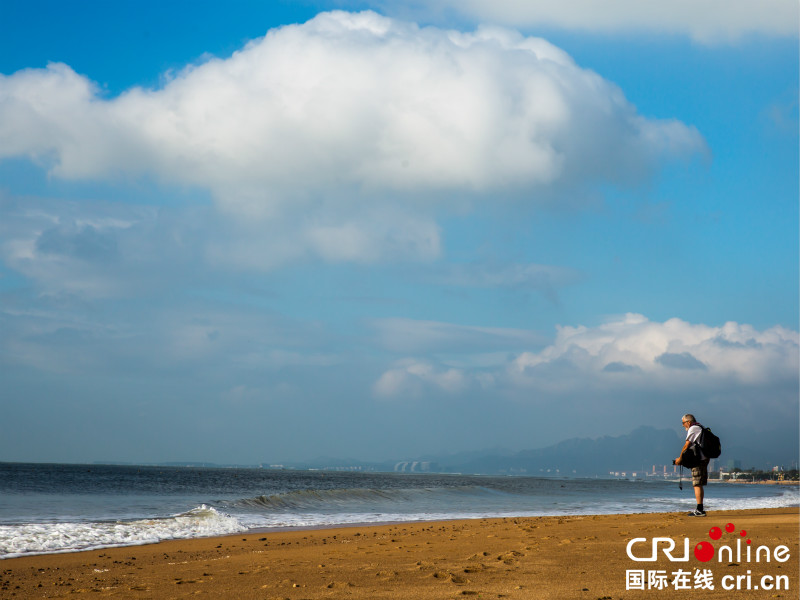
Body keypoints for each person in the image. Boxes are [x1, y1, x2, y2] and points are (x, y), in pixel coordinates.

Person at [674, 414, 709, 516]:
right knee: (699, 484)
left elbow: (687, 445)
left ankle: (699, 510)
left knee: (697, 484)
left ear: (688, 422)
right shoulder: (700, 427)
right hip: (704, 458)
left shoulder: (693, 428)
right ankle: (700, 508)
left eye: (683, 423)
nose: (683, 425)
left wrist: (680, 459)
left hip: (699, 460)